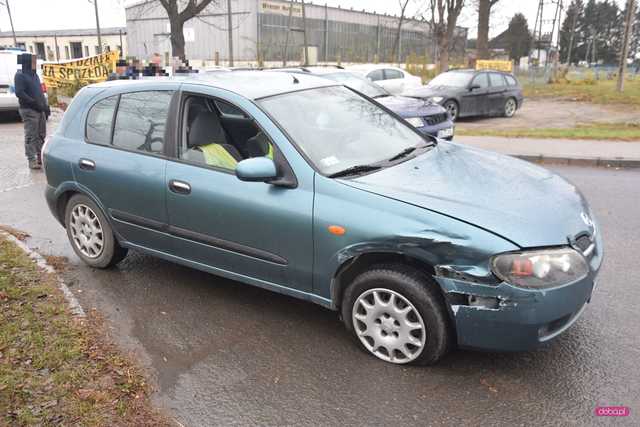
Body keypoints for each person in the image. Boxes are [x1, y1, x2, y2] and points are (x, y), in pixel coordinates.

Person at [15, 53, 49, 170]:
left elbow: (39, 91)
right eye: (33, 62)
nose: (35, 64)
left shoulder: (34, 75)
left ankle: (40, 157)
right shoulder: (20, 75)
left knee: (41, 134)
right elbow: (20, 93)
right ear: (27, 63)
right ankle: (31, 159)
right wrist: (33, 102)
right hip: (29, 110)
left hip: (40, 110)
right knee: (31, 135)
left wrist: (45, 105)